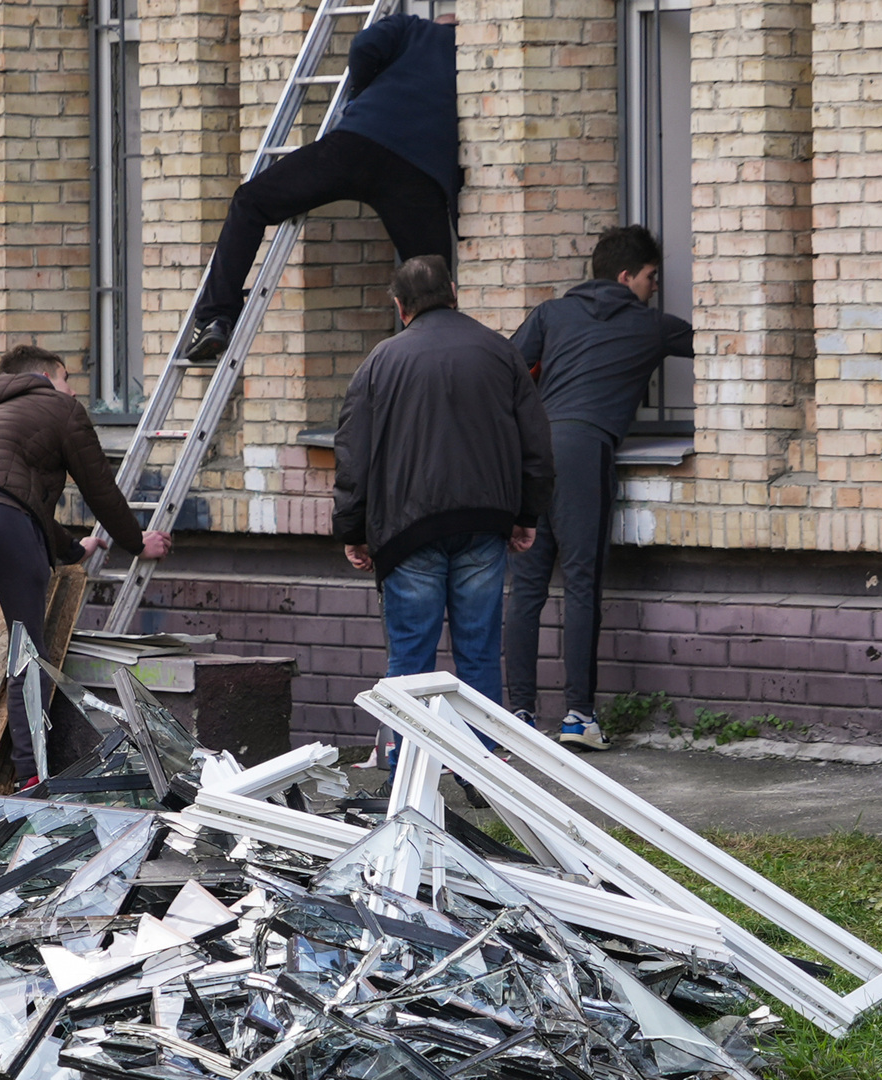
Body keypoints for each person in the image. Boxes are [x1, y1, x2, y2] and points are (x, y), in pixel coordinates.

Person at [0, 345, 174, 809]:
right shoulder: (60, 408)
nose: (73, 391)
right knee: (26, 655)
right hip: (3, 522)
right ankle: (30, 779)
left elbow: (16, 498)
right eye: (67, 379)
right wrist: (137, 542)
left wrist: (72, 550)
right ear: (46, 376)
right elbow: (99, 488)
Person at [335, 255, 556, 780]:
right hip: (484, 523)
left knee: (410, 656)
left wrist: (353, 530)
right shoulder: (500, 352)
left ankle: (405, 770)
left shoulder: (382, 360)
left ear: (399, 305)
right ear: (453, 292)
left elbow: (353, 453)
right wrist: (526, 514)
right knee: (479, 649)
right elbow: (536, 442)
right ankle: (483, 770)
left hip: (407, 531)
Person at [503, 225, 694, 750]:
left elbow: (505, 367)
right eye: (652, 277)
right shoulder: (651, 326)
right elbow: (719, 345)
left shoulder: (551, 314)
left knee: (526, 589)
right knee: (581, 583)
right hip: (584, 452)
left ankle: (518, 716)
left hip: (532, 452)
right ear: (626, 275)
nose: (656, 287)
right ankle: (578, 717)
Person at [183, 12, 460, 362]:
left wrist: (359, 92)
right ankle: (438, 365)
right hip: (418, 174)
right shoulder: (467, 60)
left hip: (358, 143)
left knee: (250, 202)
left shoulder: (414, 27)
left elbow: (365, 45)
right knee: (433, 280)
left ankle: (215, 318)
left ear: (442, 21)